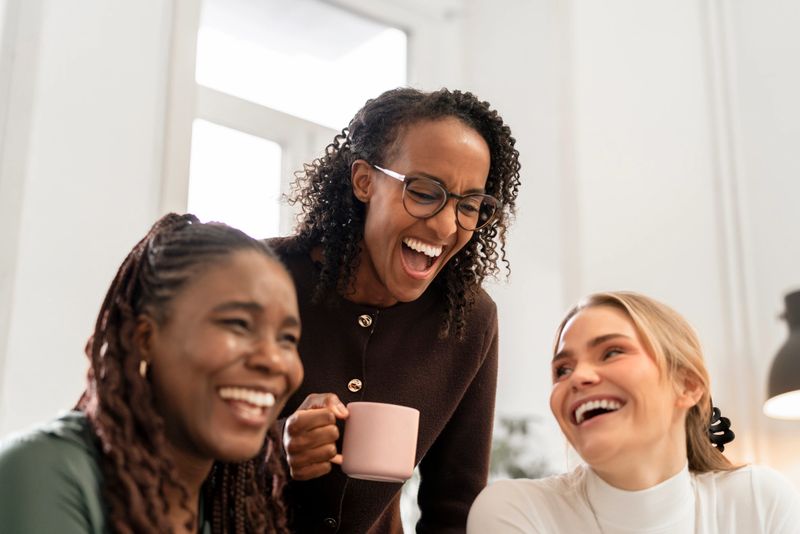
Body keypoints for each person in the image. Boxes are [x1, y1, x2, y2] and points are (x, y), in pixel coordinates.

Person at [269, 87, 521, 532]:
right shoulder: (258, 278)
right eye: (424, 192)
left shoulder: (468, 317)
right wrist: (275, 447)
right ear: (364, 181)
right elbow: (169, 439)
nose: (446, 226)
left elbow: (454, 508)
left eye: (469, 206)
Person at [0, 213, 304, 533]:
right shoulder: (46, 473)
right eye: (238, 324)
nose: (273, 359)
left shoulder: (227, 505)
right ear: (144, 339)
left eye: (287, 338)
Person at [467, 291, 800, 533]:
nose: (579, 377)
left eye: (611, 352)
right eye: (562, 370)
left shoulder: (758, 501)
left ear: (687, 386)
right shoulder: (516, 511)